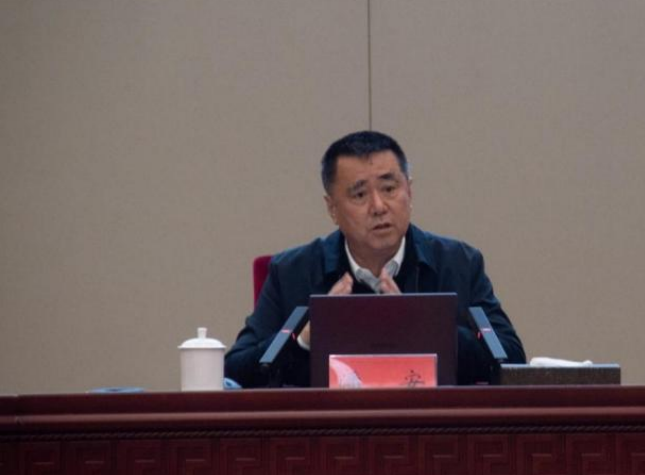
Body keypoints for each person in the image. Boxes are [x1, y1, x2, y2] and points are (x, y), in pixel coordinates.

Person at [225, 130, 525, 387]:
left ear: (409, 191)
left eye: (389, 188)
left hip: (430, 429)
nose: (379, 206)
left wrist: (425, 329)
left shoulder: (459, 263)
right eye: (359, 195)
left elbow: (512, 361)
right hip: (328, 431)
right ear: (332, 209)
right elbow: (234, 372)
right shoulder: (291, 272)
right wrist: (305, 339)